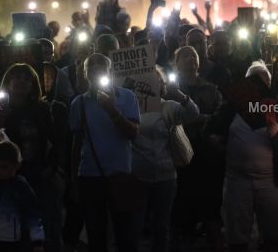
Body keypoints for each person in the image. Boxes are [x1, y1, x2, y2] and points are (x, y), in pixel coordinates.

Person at [69, 53, 140, 252]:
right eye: (91, 65)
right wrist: (74, 182)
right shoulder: (78, 104)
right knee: (96, 235)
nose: (96, 68)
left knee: (125, 234)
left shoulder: (127, 97)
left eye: (101, 64)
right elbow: (76, 144)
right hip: (90, 176)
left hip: (120, 174)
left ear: (110, 71)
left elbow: (133, 134)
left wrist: (112, 110)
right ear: (85, 74)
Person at [0, 63, 64, 252]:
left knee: (44, 232)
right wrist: (0, 123)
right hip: (10, 180)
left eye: (27, 78)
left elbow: (54, 141)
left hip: (40, 179)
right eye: (17, 77)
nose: (21, 81)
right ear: (8, 81)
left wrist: (50, 169)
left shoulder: (41, 109)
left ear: (33, 85)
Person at [221, 61, 278, 252]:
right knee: (237, 233)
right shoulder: (231, 106)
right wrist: (217, 140)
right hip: (238, 180)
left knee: (273, 233)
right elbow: (213, 129)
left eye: (264, 80)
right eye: (254, 80)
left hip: (271, 180)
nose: (259, 85)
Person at [132, 68, 199, 252]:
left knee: (161, 224)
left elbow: (193, 113)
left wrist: (179, 94)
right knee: (136, 223)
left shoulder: (167, 106)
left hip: (165, 175)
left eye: (157, 81)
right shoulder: (131, 106)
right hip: (137, 175)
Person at [170, 46, 224, 252]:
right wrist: (200, 118)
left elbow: (218, 115)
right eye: (185, 56)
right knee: (183, 199)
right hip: (180, 152)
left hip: (206, 151)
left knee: (209, 200)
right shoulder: (171, 90)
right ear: (176, 63)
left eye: (193, 55)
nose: (191, 58)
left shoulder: (210, 89)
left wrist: (197, 118)